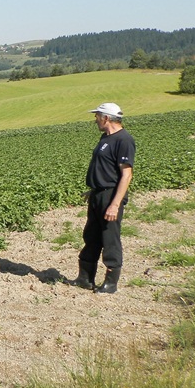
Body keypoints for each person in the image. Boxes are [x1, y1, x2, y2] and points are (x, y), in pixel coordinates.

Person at [69, 102, 135, 294]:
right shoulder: (106, 137)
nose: (95, 120)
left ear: (106, 118)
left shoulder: (124, 140)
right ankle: (85, 278)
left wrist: (114, 204)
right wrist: (94, 190)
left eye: (97, 116)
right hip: (98, 194)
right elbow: (105, 168)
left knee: (109, 238)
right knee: (91, 236)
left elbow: (126, 175)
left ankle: (110, 283)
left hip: (111, 195)